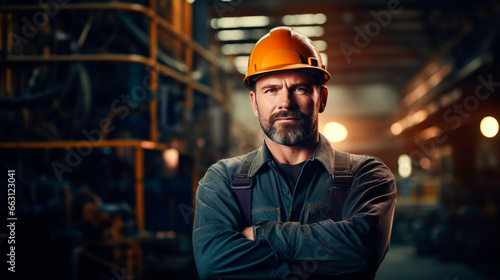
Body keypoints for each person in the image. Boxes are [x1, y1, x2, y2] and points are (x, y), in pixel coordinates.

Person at [192, 26, 397, 280]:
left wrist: (261, 233)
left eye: (299, 88)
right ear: (255, 103)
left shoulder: (366, 175)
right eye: (271, 89)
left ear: (321, 98)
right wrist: (323, 262)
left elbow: (362, 252)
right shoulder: (222, 180)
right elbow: (214, 264)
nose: (285, 102)